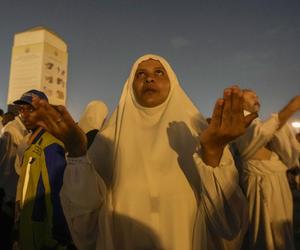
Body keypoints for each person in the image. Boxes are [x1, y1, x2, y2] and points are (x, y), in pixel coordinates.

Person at [30, 54, 256, 250]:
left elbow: (228, 224)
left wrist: (213, 151)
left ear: (173, 83)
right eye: (140, 74)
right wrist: (77, 153)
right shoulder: (108, 141)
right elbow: (84, 223)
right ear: (129, 86)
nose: (149, 78)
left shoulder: (201, 135)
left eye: (159, 72)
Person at [231, 89, 300, 250]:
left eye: (257, 95)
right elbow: (258, 137)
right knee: (265, 234)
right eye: (251, 95)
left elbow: (288, 153)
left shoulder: (257, 123)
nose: (257, 97)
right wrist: (291, 107)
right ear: (239, 101)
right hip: (260, 184)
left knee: (282, 233)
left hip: (278, 181)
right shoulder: (238, 123)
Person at [13, 89, 71, 250]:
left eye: (30, 109)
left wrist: (59, 238)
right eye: (22, 109)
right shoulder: (31, 144)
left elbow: (58, 195)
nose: (24, 114)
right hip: (28, 232)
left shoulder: (51, 146)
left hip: (43, 238)